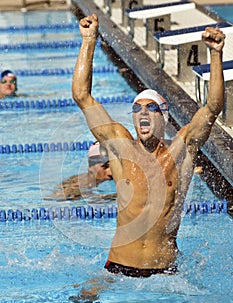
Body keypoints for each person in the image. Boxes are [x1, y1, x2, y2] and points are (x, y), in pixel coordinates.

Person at [72, 13, 225, 278]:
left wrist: (215, 55)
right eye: (137, 108)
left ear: (163, 117)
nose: (143, 113)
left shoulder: (181, 151)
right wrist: (88, 40)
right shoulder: (121, 148)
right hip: (118, 268)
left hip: (165, 272)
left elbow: (212, 108)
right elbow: (82, 96)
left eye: (151, 108)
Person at [45, 142, 113, 201]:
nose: (111, 170)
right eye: (106, 167)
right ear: (91, 168)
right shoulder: (83, 184)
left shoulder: (92, 179)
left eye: (113, 166)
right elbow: (53, 198)